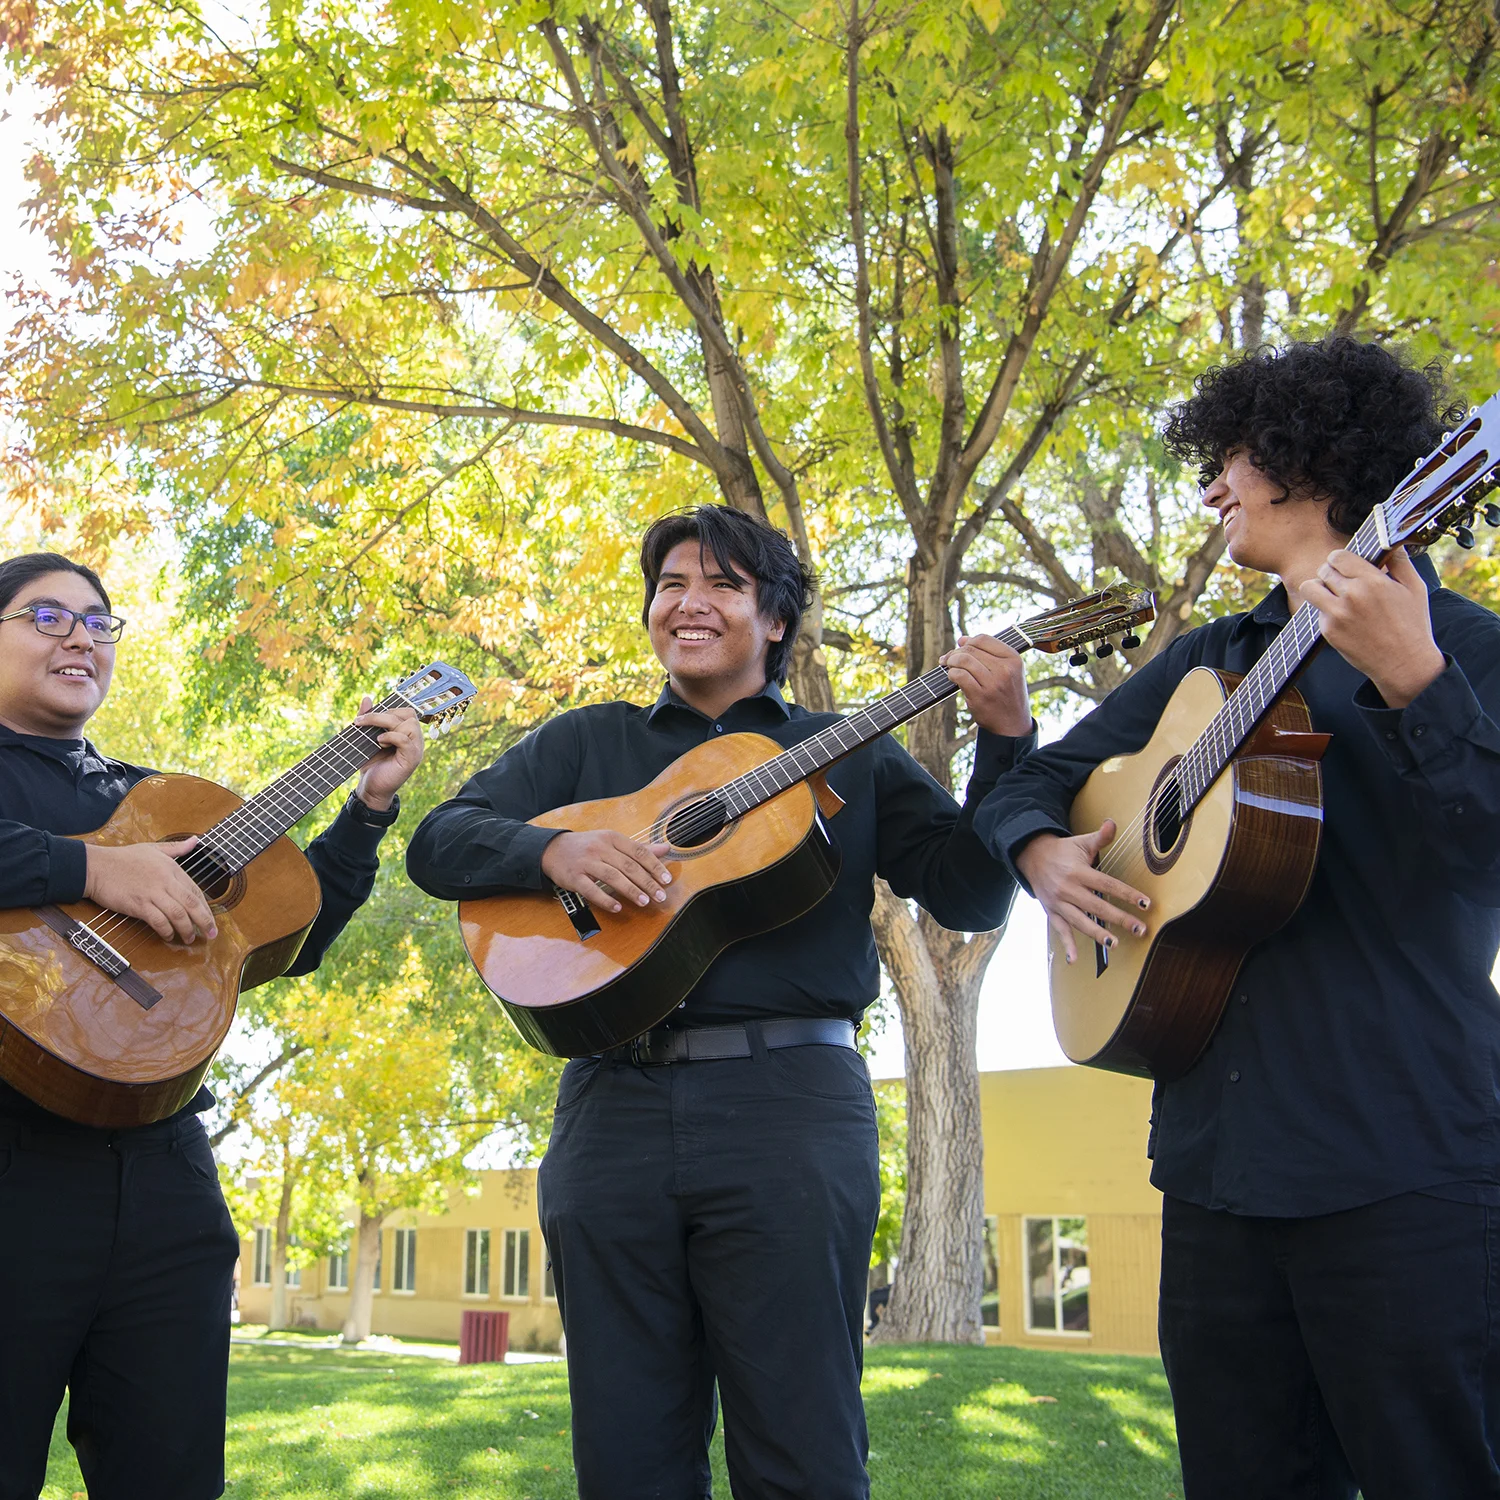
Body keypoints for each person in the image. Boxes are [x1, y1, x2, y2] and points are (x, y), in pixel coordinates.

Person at [406, 504, 1035, 1499]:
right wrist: (552, 849)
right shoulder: (584, 744)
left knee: (804, 1446)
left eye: (724, 585)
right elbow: (438, 843)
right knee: (626, 1454)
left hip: (790, 1110)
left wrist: (1007, 742)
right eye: (671, 585)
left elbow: (970, 888)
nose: (689, 602)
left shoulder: (847, 751)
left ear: (777, 622)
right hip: (609, 1110)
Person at [975, 337, 1500, 1500]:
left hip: (1406, 1160)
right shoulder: (1208, 666)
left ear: (1319, 462)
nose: (1213, 490)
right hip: (1214, 1170)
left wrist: (1419, 689)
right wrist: (1044, 854)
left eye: (1234, 461)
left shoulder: (1464, 651)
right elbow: (1029, 783)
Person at [0, 551, 425, 1500]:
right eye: (46, 616)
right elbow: (90, 874)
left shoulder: (162, 802)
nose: (81, 635)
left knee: (173, 1476)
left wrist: (369, 808)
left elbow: (284, 935)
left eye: (100, 621)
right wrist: (90, 872)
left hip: (162, 1179)